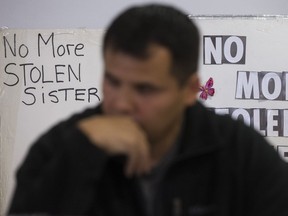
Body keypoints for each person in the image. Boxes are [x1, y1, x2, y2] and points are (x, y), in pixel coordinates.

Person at [8, 4, 288, 216]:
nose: (121, 104)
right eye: (113, 81)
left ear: (191, 90)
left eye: (145, 90)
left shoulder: (238, 151)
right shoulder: (61, 146)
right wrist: (80, 153)